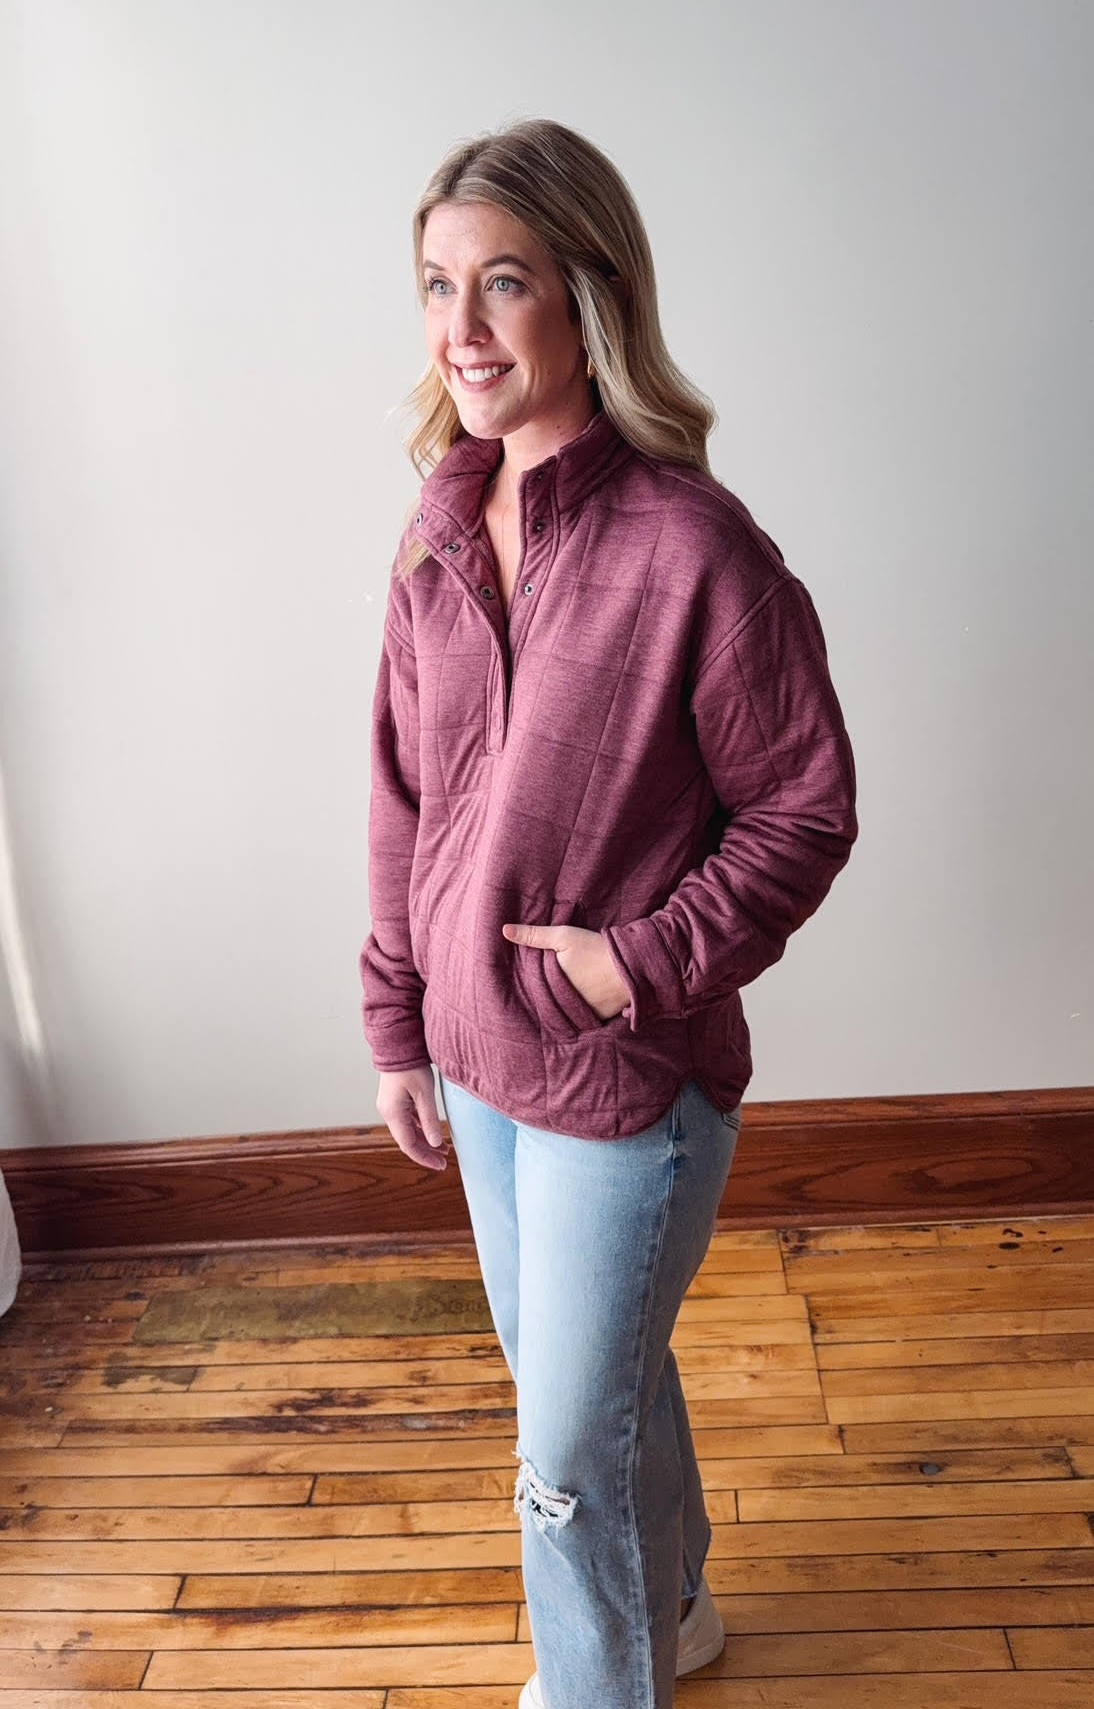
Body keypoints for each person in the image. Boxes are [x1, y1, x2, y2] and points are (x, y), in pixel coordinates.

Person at [360, 119, 857, 1709]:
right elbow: (405, 795)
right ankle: (680, 1608)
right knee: (592, 1383)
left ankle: (596, 1690)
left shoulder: (694, 549)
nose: (463, 327)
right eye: (437, 285)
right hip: (476, 1060)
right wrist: (396, 1020)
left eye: (503, 283)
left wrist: (636, 964)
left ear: (589, 299)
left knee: (562, 1446)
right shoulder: (438, 530)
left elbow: (803, 810)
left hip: (624, 1072)